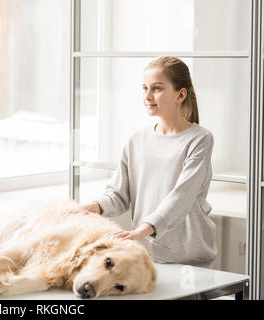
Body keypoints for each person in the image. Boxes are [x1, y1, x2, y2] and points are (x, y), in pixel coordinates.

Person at [78, 56, 217, 268]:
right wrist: (90, 208)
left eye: (157, 89)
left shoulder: (200, 139)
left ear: (180, 95)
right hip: (145, 254)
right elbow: (118, 195)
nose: (147, 96)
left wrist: (142, 231)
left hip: (188, 258)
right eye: (144, 88)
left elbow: (182, 196)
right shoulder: (136, 140)